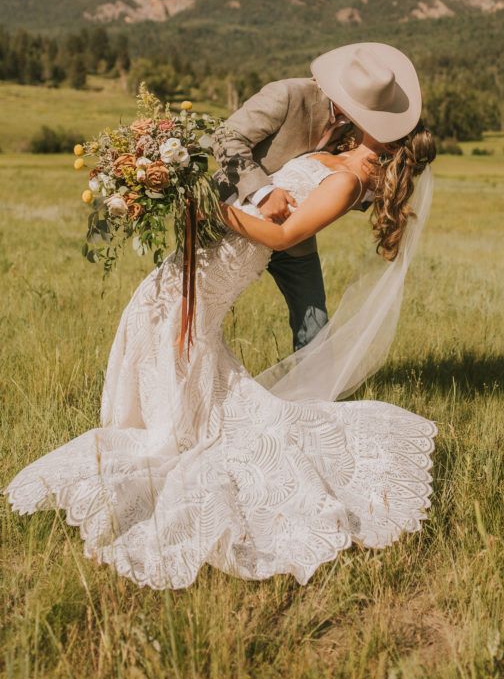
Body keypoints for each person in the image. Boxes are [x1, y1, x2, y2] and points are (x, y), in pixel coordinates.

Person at [6, 43, 437, 589]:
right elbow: (228, 140)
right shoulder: (297, 103)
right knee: (158, 316)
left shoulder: (357, 175)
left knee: (294, 322)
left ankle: (188, 427)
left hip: (248, 240)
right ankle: (167, 420)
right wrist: (223, 197)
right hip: (235, 231)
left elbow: (295, 225)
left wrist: (215, 208)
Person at [212, 42, 422, 351]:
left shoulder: (361, 127)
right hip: (235, 215)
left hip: (293, 233)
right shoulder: (287, 95)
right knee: (199, 304)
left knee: (313, 323)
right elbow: (226, 137)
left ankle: (311, 394)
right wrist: (261, 193)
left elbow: (342, 178)